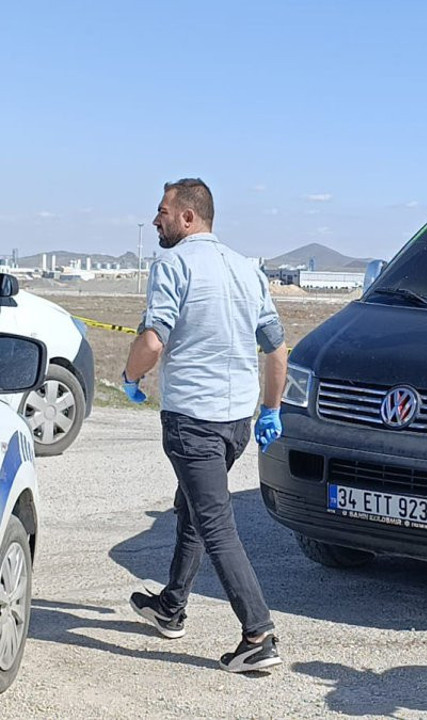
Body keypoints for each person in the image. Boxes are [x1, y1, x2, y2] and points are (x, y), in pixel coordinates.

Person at [123, 178, 289, 673]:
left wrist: (130, 377)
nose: (156, 220)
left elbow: (153, 341)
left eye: (162, 212)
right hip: (236, 420)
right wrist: (271, 409)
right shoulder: (246, 269)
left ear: (188, 217)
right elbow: (277, 348)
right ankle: (171, 607)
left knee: (214, 524)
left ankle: (258, 635)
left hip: (193, 421)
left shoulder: (172, 264)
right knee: (193, 508)